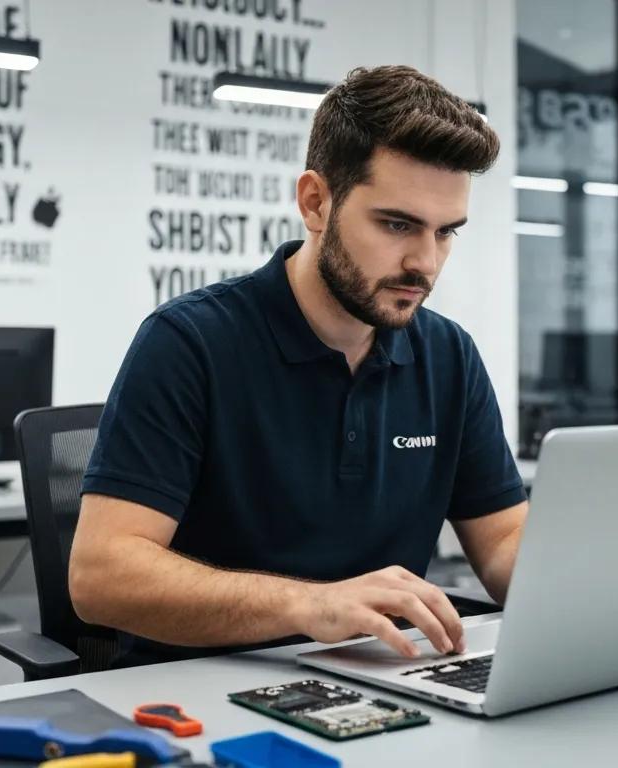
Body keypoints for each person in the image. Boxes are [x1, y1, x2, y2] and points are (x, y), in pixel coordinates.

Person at [71, 65, 527, 666]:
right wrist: (308, 606)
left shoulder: (449, 355)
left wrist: (609, 583)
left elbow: (500, 542)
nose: (426, 262)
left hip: (389, 678)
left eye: (446, 233)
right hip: (208, 689)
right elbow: (101, 577)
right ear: (315, 202)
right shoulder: (188, 343)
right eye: (397, 224)